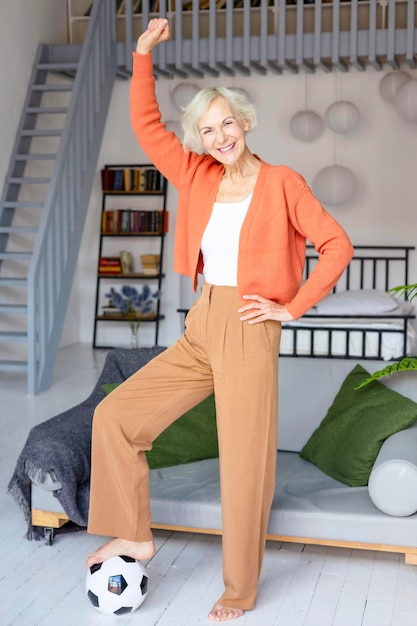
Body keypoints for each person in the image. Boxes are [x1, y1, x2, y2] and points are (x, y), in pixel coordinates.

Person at [86, 17, 354, 622]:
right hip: (202, 321)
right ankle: (134, 535)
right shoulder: (197, 175)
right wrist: (142, 55)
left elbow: (336, 244)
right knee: (116, 415)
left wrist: (290, 308)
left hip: (249, 327)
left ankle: (240, 590)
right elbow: (148, 128)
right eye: (207, 130)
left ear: (244, 122)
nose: (219, 136)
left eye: (226, 122)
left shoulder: (284, 183)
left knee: (243, 464)